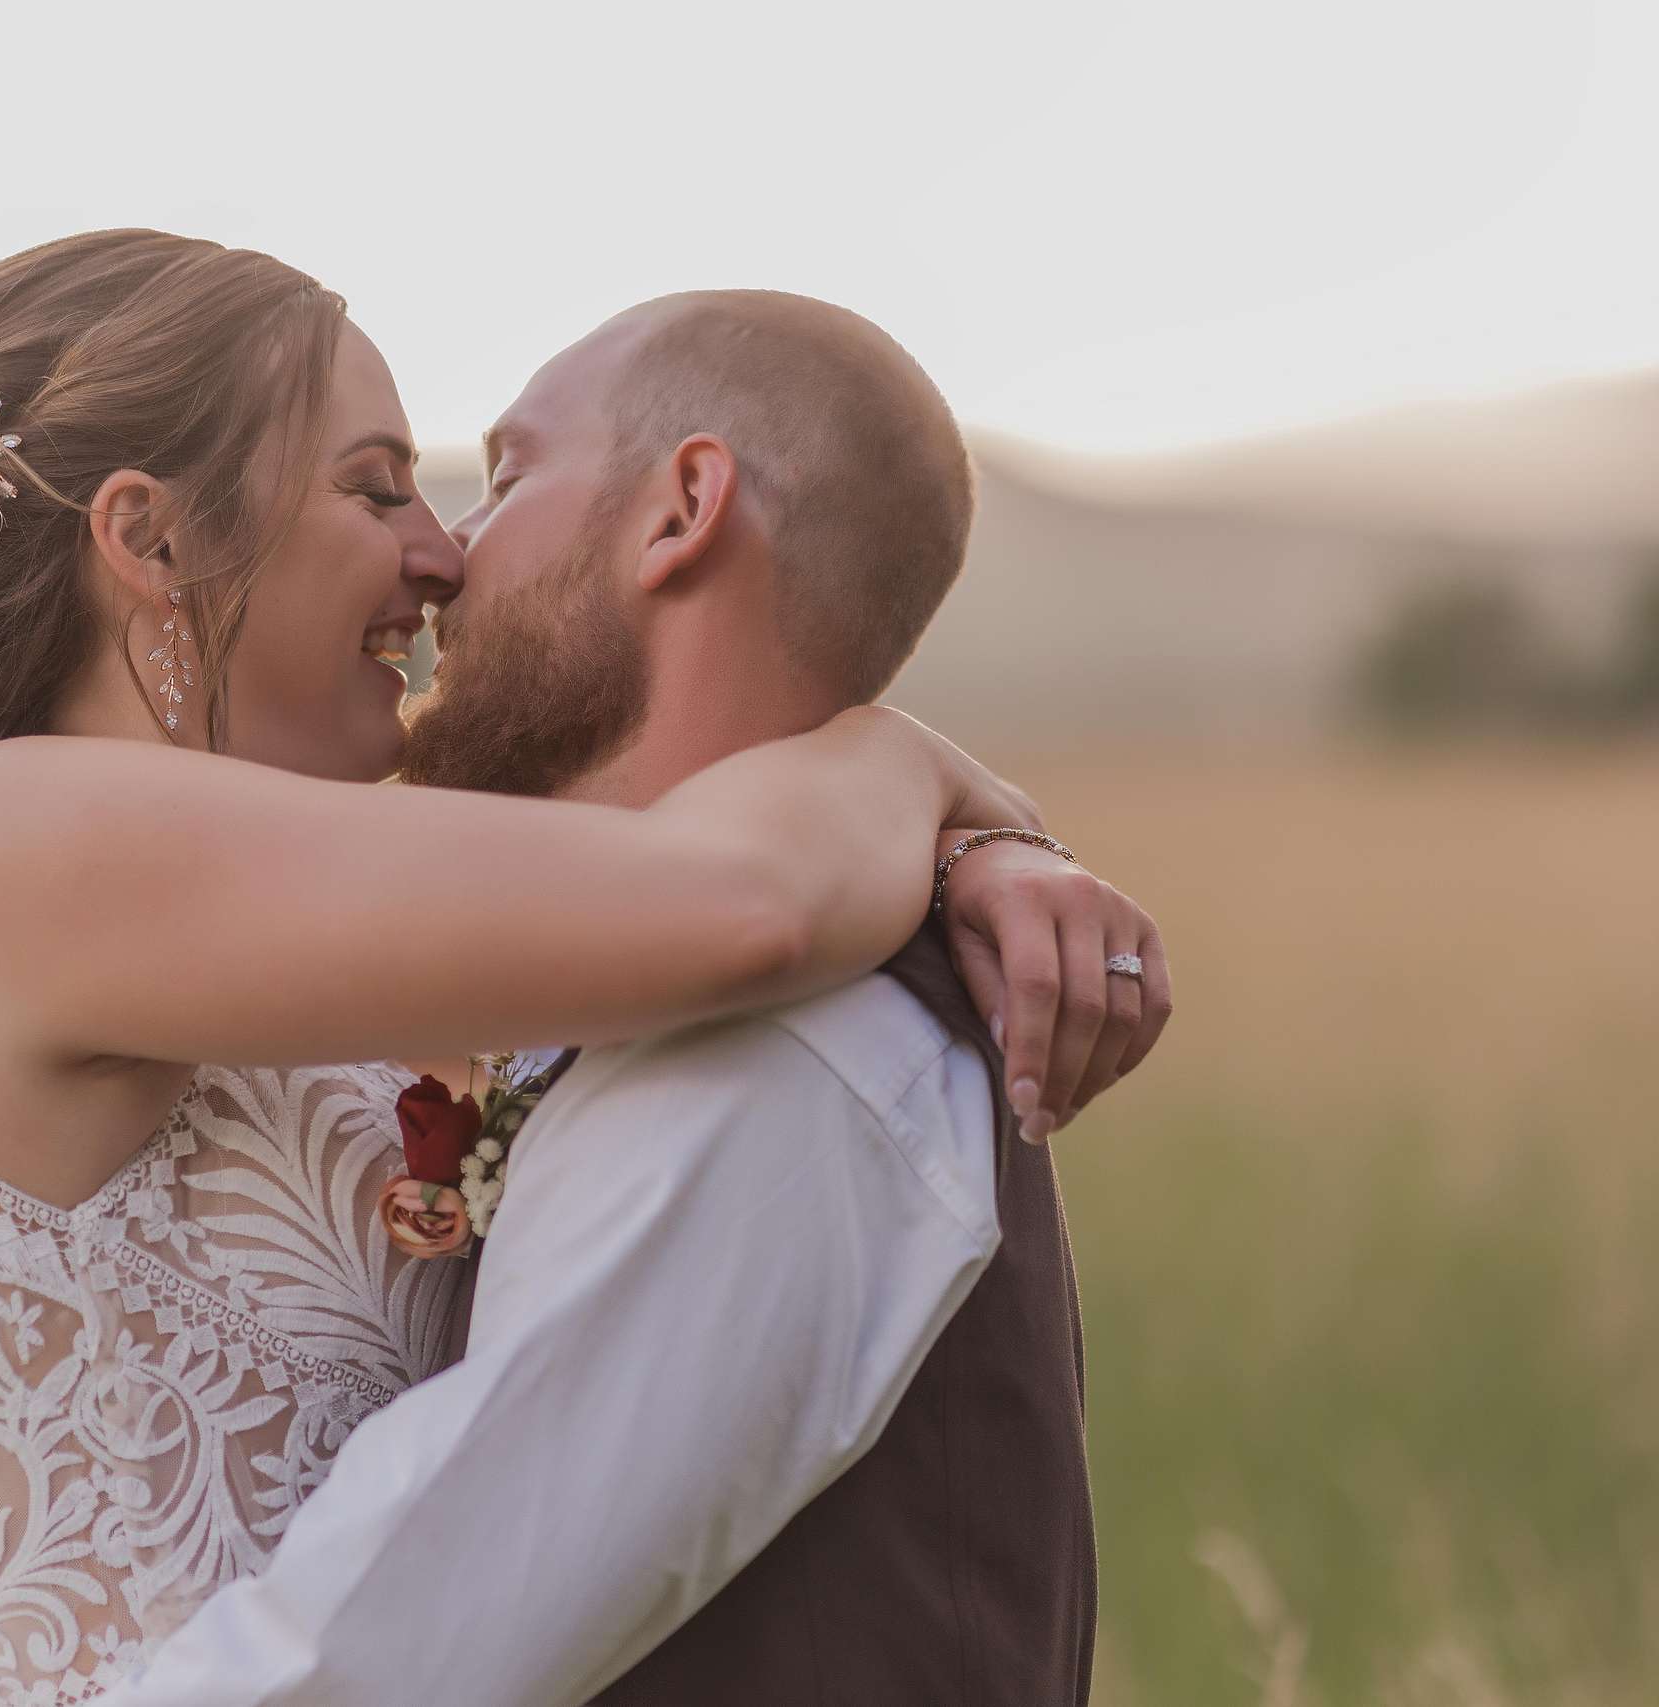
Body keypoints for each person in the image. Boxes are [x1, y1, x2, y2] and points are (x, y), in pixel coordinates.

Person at [0, 232, 1162, 1706]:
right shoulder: (10, 836)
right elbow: (741, 900)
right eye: (374, 484)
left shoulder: (250, 922)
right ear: (149, 542)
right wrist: (906, 762)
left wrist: (969, 853)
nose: (440, 551)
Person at [95, 291, 1150, 1706]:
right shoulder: (688, 1004)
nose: (448, 560)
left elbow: (365, 1665)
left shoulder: (777, 1055)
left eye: (510, 474)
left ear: (683, 509)